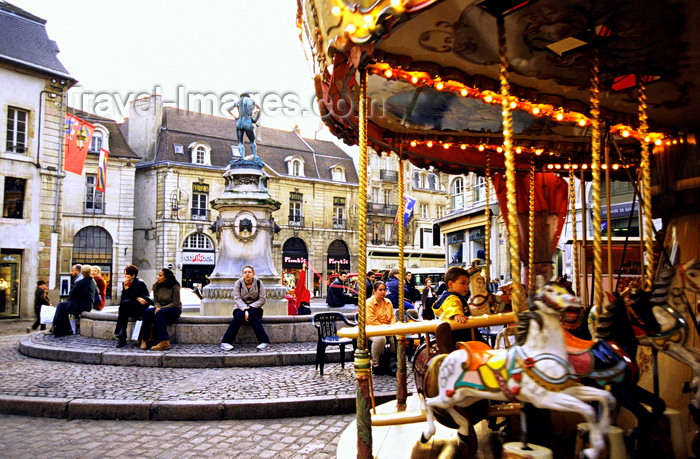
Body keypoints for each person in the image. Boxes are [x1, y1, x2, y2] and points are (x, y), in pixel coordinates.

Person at [432, 266, 485, 346]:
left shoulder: (453, 296)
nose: (466, 286)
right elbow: (452, 306)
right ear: (450, 284)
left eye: (467, 284)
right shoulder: (452, 298)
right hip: (461, 335)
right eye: (463, 283)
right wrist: (457, 314)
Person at [220, 266, 270, 351]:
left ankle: (264, 342)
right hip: (240, 307)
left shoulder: (259, 283)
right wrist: (245, 309)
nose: (247, 274)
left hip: (255, 307)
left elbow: (262, 299)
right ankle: (226, 342)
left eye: (249, 272)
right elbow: (237, 298)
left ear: (253, 274)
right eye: (245, 272)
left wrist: (250, 307)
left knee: (253, 314)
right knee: (239, 315)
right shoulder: (238, 283)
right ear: (242, 274)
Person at [139, 268, 182, 351]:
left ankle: (164, 341)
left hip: (174, 309)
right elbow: (156, 301)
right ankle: (144, 339)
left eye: (160, 276)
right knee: (147, 312)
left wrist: (160, 308)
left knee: (160, 313)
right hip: (160, 310)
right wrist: (158, 307)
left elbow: (175, 303)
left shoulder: (175, 286)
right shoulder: (156, 286)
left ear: (166, 277)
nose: (157, 277)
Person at [51, 265, 96, 338]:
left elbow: (72, 293)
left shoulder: (82, 282)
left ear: (82, 272)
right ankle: (63, 328)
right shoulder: (92, 281)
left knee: (61, 306)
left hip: (82, 305)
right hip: (87, 304)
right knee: (63, 305)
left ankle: (59, 329)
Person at [114, 265, 151, 348]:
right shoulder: (125, 283)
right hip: (128, 307)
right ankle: (122, 333)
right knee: (124, 305)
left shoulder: (139, 283)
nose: (125, 276)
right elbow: (124, 298)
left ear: (133, 275)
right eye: (124, 274)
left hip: (139, 308)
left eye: (127, 274)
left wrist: (129, 291)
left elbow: (144, 299)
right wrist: (134, 296)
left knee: (124, 306)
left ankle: (121, 334)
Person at [366, 280, 397, 375]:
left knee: (395, 338)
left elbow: (392, 317)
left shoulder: (388, 302)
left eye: (384, 290)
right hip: (372, 328)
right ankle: (376, 364)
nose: (383, 292)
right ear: (374, 291)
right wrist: (385, 329)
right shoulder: (369, 303)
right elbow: (371, 320)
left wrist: (391, 326)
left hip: (386, 328)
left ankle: (391, 361)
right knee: (380, 339)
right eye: (380, 290)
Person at [229, 93, 261, 159]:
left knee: (240, 142)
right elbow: (259, 109)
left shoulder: (238, 101)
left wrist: (234, 116)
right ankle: (255, 155)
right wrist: (255, 115)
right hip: (248, 121)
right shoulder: (251, 100)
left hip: (239, 122)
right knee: (252, 141)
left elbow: (228, 109)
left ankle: (242, 157)